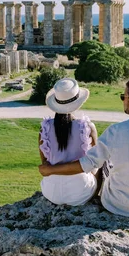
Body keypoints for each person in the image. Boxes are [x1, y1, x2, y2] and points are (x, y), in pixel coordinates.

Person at [39, 77, 129, 222]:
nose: (123, 100)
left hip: (117, 206)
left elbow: (88, 163)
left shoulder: (116, 131)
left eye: (123, 97)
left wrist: (51, 170)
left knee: (106, 164)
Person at [39, 78, 99, 206]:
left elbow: (45, 164)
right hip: (79, 193)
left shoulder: (45, 128)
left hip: (51, 192)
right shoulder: (87, 127)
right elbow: (96, 163)